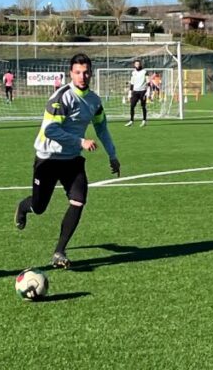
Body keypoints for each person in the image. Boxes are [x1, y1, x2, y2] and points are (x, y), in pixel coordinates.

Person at [14, 53, 120, 268]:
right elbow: (50, 130)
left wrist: (112, 155)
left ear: (91, 73)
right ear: (71, 73)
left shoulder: (94, 101)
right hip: (48, 158)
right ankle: (23, 207)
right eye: (78, 72)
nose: (82, 76)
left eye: (86, 72)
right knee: (39, 207)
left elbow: (101, 128)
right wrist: (81, 141)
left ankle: (59, 252)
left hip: (72, 159)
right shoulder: (62, 97)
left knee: (78, 200)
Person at [125, 59, 150, 127]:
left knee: (143, 106)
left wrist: (148, 91)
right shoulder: (133, 72)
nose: (137, 65)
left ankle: (144, 120)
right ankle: (131, 121)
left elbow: (148, 82)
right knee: (132, 106)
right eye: (136, 64)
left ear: (140, 64)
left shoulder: (144, 72)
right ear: (134, 65)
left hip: (143, 91)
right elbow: (132, 83)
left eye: (138, 64)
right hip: (135, 92)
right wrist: (130, 93)